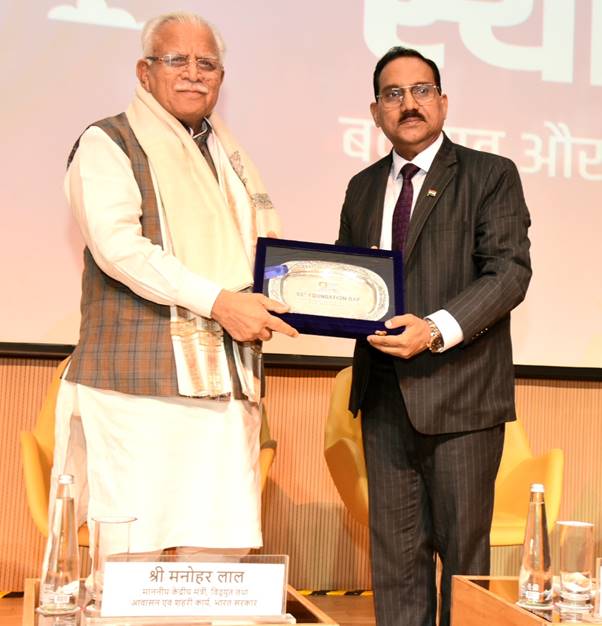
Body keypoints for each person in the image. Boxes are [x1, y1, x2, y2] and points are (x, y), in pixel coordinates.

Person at [51, 11, 297, 557]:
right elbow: (120, 250)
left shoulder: (229, 157)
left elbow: (258, 256)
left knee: (220, 551)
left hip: (223, 390)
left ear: (221, 78)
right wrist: (219, 302)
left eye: (206, 63)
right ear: (144, 72)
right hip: (136, 386)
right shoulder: (108, 142)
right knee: (131, 558)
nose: (193, 73)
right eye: (176, 60)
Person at [336, 47, 532, 626]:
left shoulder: (489, 174)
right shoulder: (363, 187)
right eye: (394, 94)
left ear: (443, 101)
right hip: (384, 398)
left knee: (464, 566)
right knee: (395, 564)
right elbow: (351, 282)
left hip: (464, 396)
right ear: (376, 112)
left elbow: (508, 273)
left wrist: (435, 329)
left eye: (421, 90)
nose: (409, 104)